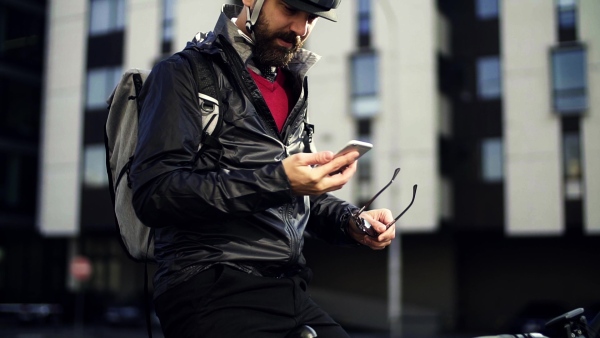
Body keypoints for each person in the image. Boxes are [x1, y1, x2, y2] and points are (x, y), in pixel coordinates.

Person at [129, 0, 396, 337]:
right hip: (209, 286)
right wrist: (280, 181)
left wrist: (351, 221)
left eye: (312, 17)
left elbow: (296, 196)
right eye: (290, 10)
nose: (301, 29)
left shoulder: (292, 83)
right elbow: (155, 193)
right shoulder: (184, 72)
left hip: (288, 288)